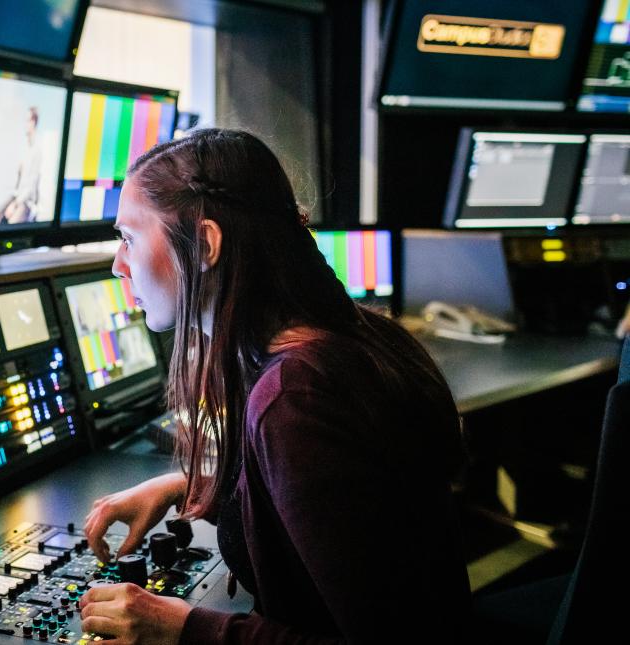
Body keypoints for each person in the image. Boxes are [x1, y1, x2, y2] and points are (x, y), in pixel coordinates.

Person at [79, 129, 471, 644]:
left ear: (204, 245)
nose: (118, 264)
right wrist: (182, 487)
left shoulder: (293, 399)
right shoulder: (346, 338)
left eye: (129, 237)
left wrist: (182, 626)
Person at [0, 106, 42, 224]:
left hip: (27, 202)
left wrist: (15, 204)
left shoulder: (37, 150)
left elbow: (30, 188)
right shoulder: (25, 147)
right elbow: (18, 180)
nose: (24, 124)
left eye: (27, 120)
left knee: (12, 223)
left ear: (33, 122)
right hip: (17, 195)